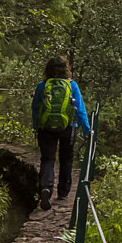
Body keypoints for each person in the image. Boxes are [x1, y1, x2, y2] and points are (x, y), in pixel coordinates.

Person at [31, 55, 91, 208]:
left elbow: (35, 107)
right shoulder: (72, 86)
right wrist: (86, 130)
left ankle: (46, 188)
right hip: (68, 127)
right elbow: (80, 110)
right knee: (66, 159)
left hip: (46, 128)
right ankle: (63, 193)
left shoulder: (42, 86)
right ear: (66, 69)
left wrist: (36, 125)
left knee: (48, 160)